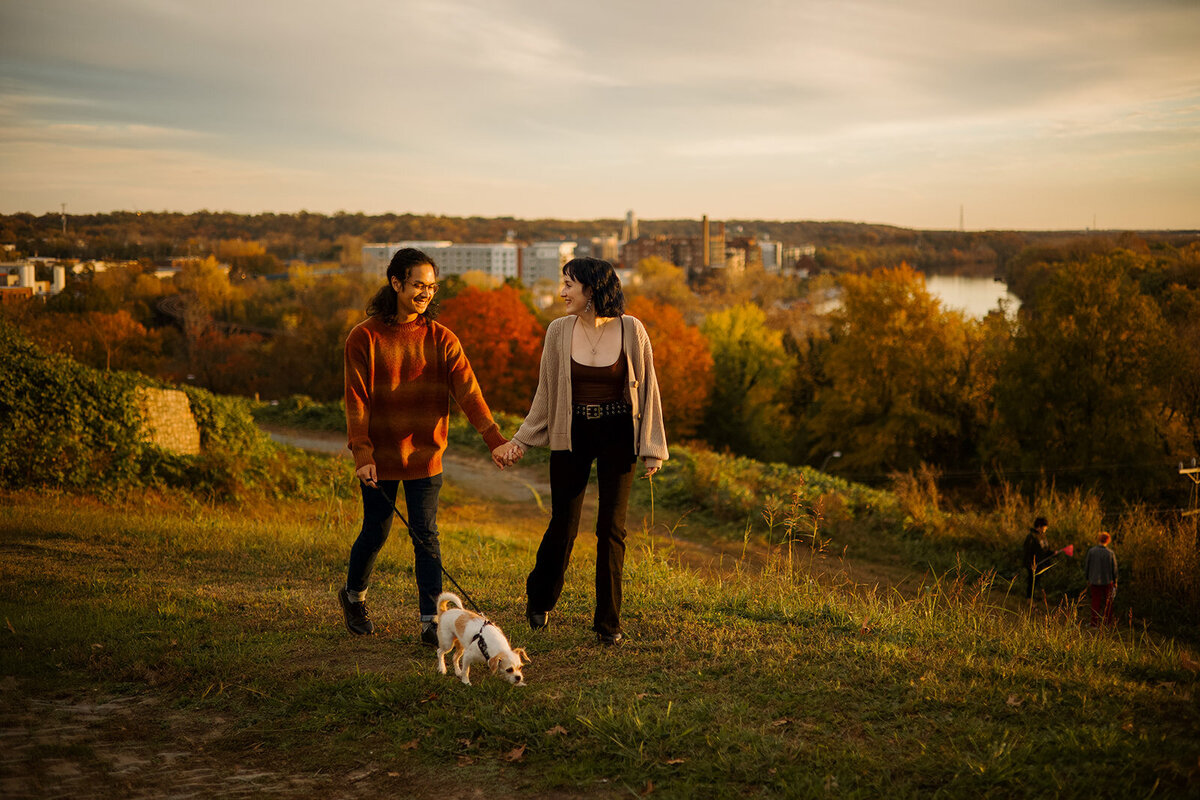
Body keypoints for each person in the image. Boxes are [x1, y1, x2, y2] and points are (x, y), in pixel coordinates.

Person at [339, 248, 510, 645]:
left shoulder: (442, 339)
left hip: (426, 455)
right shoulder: (363, 337)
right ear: (396, 283)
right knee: (375, 532)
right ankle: (353, 597)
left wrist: (494, 439)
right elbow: (356, 399)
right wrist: (362, 453)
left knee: (425, 536)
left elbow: (469, 393)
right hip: (380, 459)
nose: (426, 293)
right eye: (418, 285)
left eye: (431, 287)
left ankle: (432, 623)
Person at [499, 257, 668, 646]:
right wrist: (520, 440)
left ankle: (608, 624)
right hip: (571, 432)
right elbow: (545, 392)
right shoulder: (558, 331)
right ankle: (540, 598)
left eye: (568, 285)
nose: (562, 293)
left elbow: (649, 388)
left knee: (612, 530)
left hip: (618, 433)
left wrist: (651, 447)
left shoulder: (632, 328)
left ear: (591, 289)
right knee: (564, 524)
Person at [1084, 531, 1118, 628]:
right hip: (1107, 581)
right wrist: (1115, 581)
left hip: (1094, 580)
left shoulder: (1092, 551)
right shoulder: (1110, 553)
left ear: (1099, 539)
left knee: (1095, 602)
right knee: (1108, 602)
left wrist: (1087, 578)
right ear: (1108, 541)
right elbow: (1114, 569)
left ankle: (1094, 623)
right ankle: (1107, 623)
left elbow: (1087, 566)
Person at [1022, 516, 1061, 599]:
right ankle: (1029, 600)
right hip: (1033, 565)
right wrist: (1030, 564)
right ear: (1039, 526)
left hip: (1040, 564)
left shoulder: (1042, 536)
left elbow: (1045, 550)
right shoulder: (1031, 537)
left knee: (1036, 582)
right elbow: (1027, 552)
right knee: (1031, 582)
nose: (1045, 529)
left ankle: (1031, 598)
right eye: (1044, 527)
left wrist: (1053, 553)